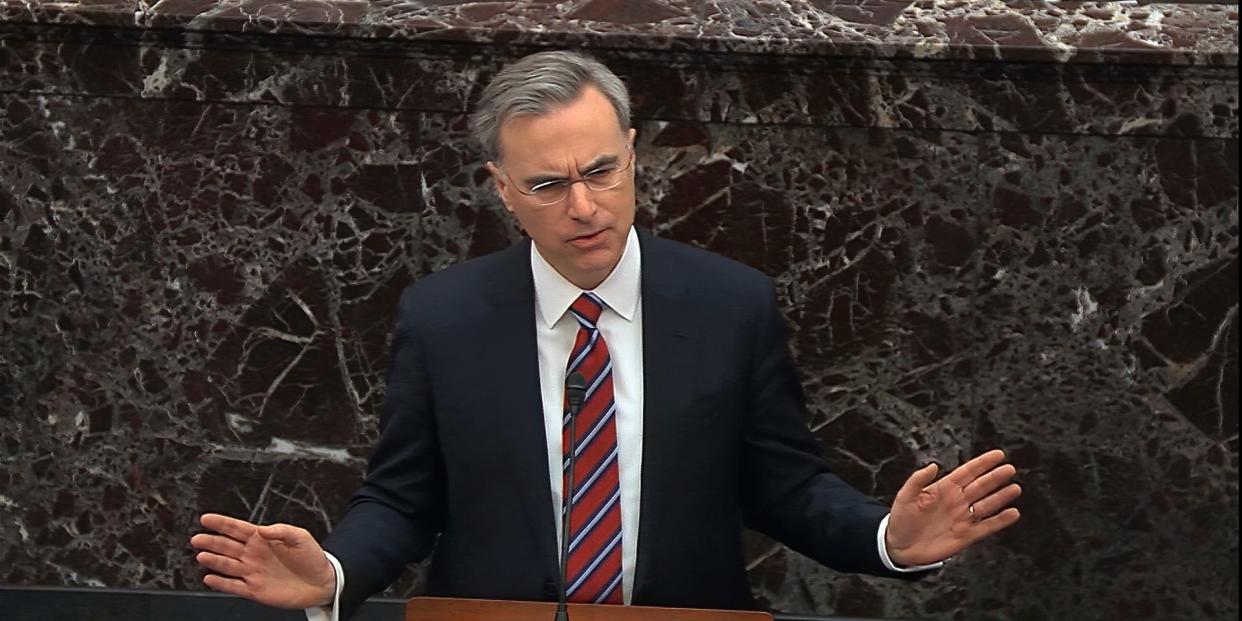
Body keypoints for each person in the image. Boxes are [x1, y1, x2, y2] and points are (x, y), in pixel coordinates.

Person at [190, 50, 1021, 621]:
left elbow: (787, 487)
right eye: (548, 184)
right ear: (502, 189)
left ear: (632, 152)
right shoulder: (442, 318)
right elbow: (405, 498)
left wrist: (890, 540)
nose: (582, 206)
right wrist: (331, 574)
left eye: (600, 171)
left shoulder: (730, 306)